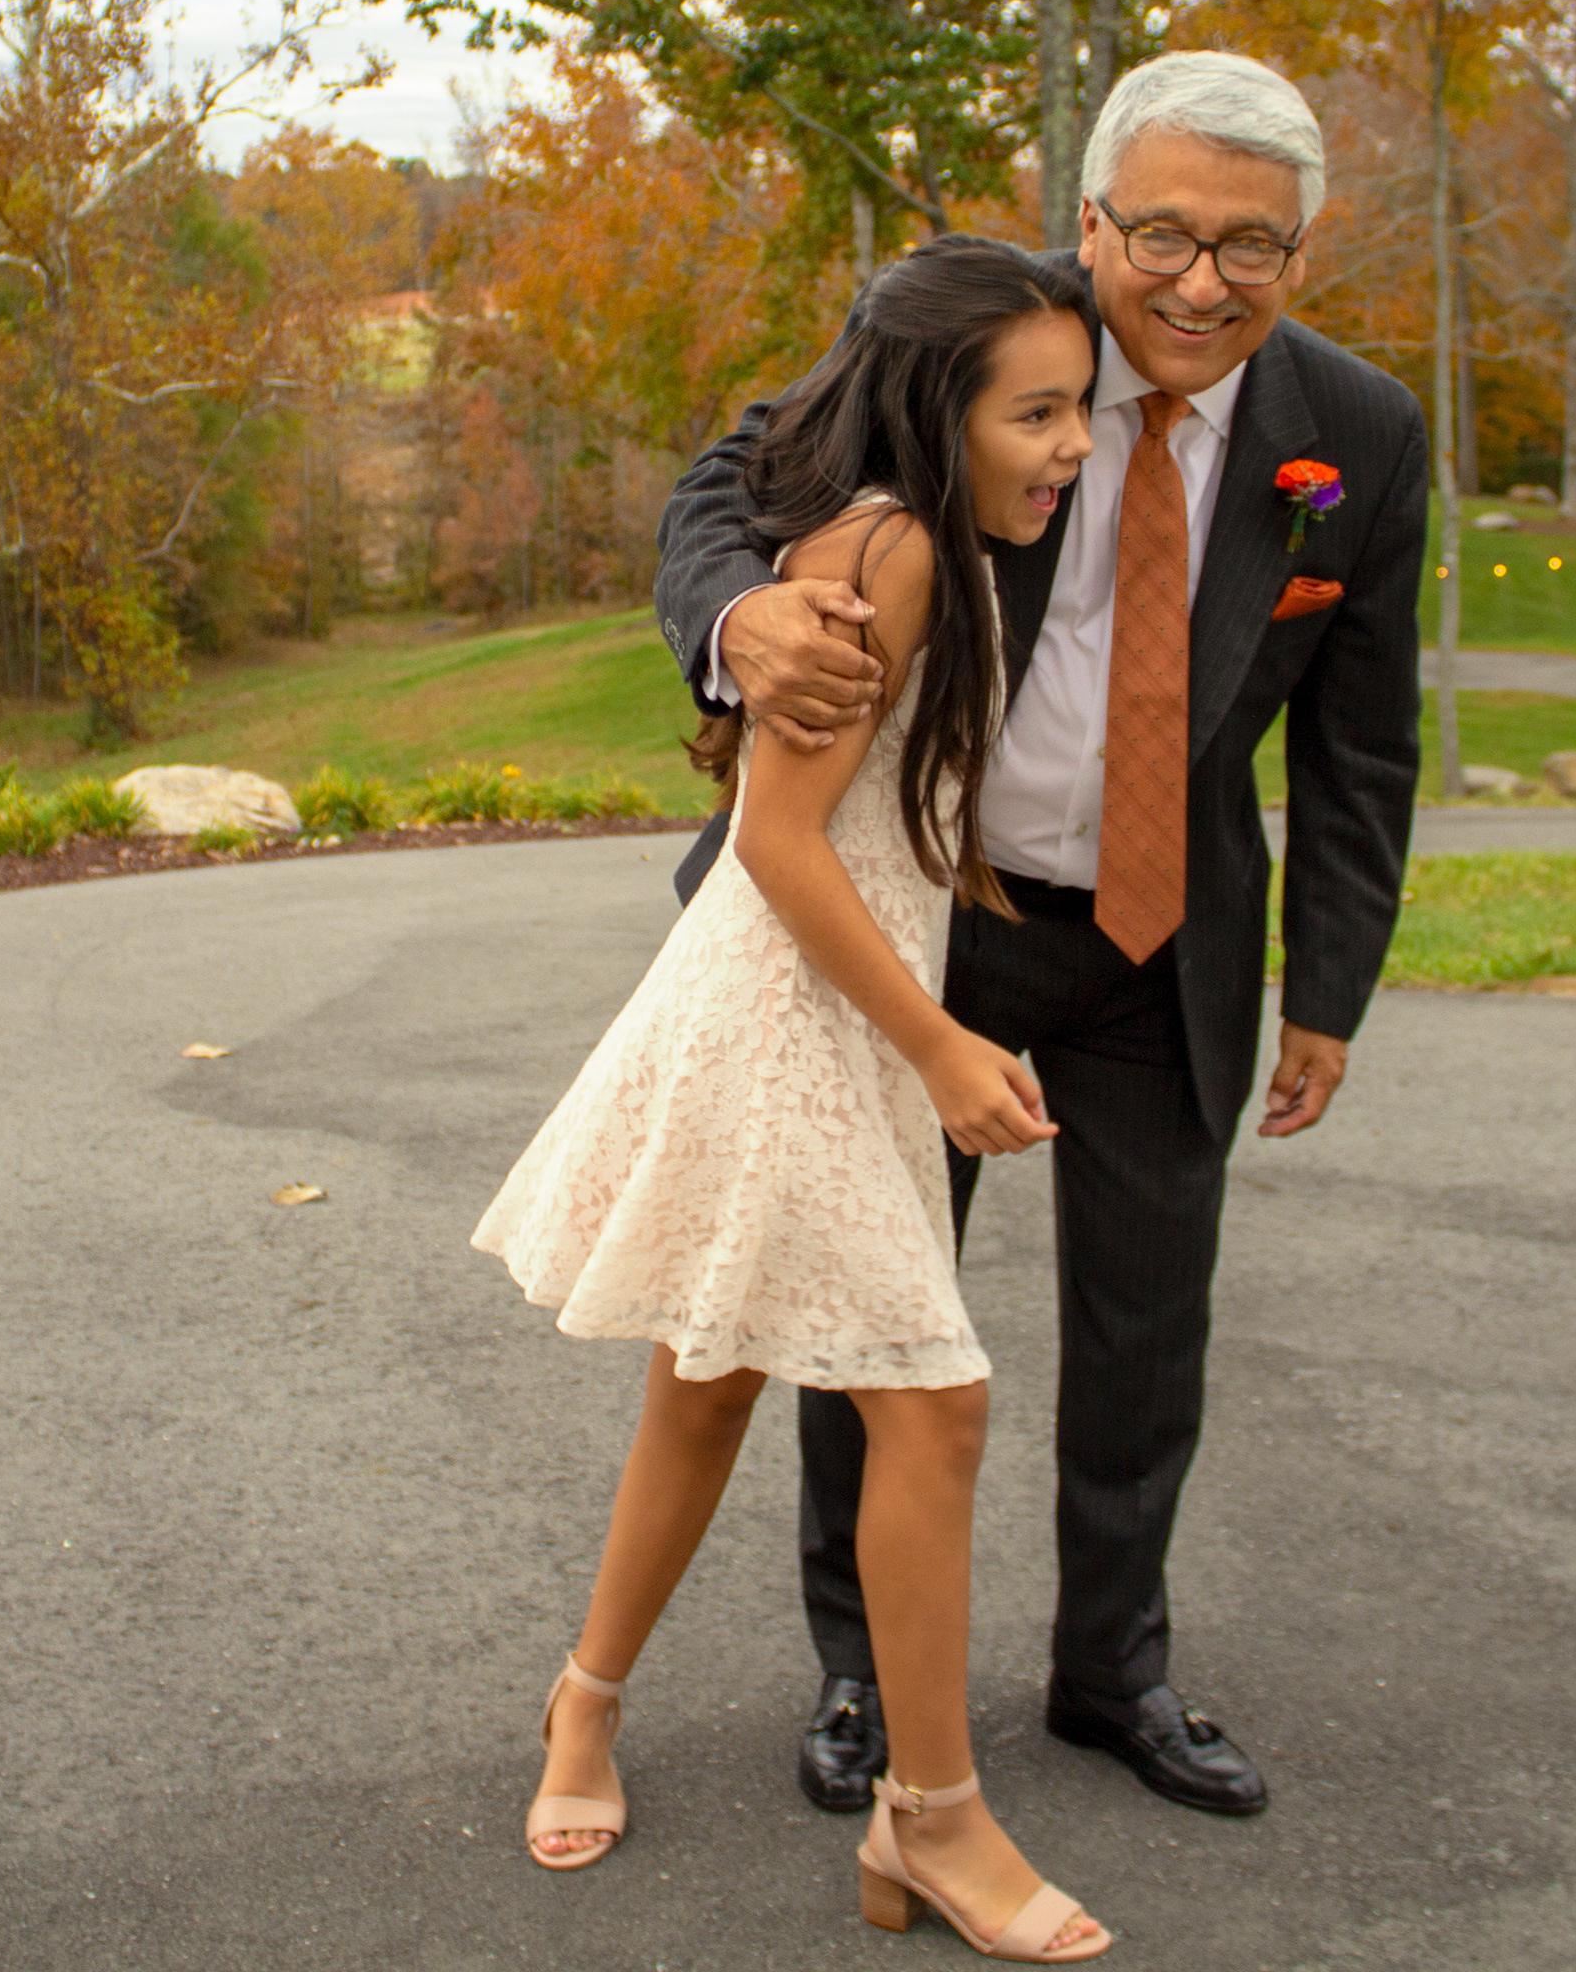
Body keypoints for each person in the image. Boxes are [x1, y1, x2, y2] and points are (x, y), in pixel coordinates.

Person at [655, 51, 1428, 1822]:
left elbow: (1365, 737)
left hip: (1167, 939)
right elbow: (727, 479)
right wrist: (739, 616)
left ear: (1302, 253)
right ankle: (865, 1673)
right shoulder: (985, 338)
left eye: (1253, 245)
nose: (1203, 281)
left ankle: (1113, 1673)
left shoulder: (1359, 432)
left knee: (1152, 1331)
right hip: (937, 915)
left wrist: (1331, 987)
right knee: (871, 1312)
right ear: (1092, 221)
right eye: (1164, 233)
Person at [475, 236, 1116, 1962]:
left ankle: (585, 1701)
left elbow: (889, 820)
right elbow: (774, 841)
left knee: (708, 1386)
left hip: (846, 1007)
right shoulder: (888, 554)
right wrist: (940, 1045)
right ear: (938, 408)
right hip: (789, 1019)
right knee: (937, 1403)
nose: (1072, 444)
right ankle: (936, 1817)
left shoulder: (938, 545)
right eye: (1037, 414)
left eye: (1081, 408)